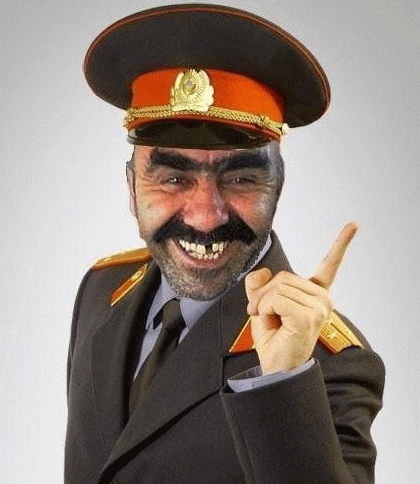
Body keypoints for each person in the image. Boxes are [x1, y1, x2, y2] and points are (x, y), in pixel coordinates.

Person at [66, 4, 385, 484]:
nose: (205, 216)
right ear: (132, 188)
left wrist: (283, 382)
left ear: (276, 190)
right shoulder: (101, 290)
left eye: (240, 179)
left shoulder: (328, 363)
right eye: (173, 178)